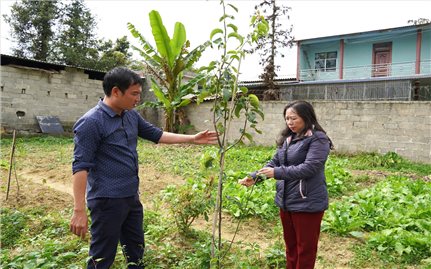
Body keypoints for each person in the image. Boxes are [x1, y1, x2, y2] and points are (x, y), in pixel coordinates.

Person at [69, 67, 218, 269]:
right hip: (106, 200)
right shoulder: (91, 122)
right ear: (115, 92)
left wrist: (192, 138)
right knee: (102, 257)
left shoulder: (130, 115)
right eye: (134, 94)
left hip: (131, 196)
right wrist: (79, 210)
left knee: (135, 250)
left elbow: (156, 134)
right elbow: (80, 167)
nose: (138, 98)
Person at [239, 100, 333, 269]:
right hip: (287, 201)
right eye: (287, 118)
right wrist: (255, 177)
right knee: (290, 247)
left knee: (305, 250)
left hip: (307, 202)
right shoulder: (289, 138)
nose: (290, 122)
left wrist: (277, 173)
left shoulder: (318, 139)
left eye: (294, 118)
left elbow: (309, 168)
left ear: (306, 117)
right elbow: (275, 162)